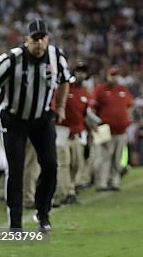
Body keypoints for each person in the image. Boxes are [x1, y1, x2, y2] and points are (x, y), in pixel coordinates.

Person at [0, 18, 71, 233]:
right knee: (16, 169)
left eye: (42, 39)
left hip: (41, 119)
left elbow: (66, 80)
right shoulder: (10, 60)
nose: (39, 44)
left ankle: (43, 213)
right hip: (13, 120)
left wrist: (61, 107)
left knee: (50, 165)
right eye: (35, 39)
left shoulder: (56, 57)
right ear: (26, 40)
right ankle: (15, 222)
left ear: (48, 39)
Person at [54, 60, 92, 206]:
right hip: (62, 131)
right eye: (78, 71)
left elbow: (85, 114)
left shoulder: (85, 93)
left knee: (76, 164)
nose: (81, 74)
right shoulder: (64, 88)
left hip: (77, 132)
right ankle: (68, 192)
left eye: (83, 71)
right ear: (73, 72)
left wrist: (92, 127)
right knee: (64, 163)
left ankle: (67, 187)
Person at [91, 66, 133, 191]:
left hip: (121, 131)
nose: (114, 77)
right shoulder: (100, 90)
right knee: (102, 158)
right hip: (103, 129)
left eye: (116, 75)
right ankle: (101, 183)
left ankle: (114, 182)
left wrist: (127, 119)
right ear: (108, 76)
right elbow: (92, 108)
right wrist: (94, 124)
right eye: (112, 75)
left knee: (117, 159)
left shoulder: (123, 90)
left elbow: (130, 106)